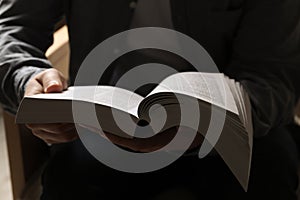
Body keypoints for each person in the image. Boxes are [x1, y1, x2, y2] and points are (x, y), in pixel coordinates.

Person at [1, 0, 300, 199]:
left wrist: (208, 123)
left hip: (231, 127)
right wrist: (27, 79)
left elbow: (272, 75)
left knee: (270, 174)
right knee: (70, 183)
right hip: (100, 125)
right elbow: (11, 29)